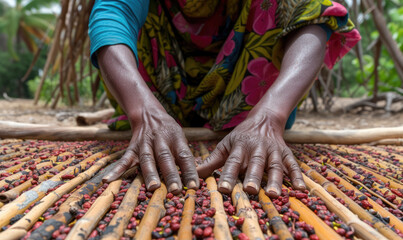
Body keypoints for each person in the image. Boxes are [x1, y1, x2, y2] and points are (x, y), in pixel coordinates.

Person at [88, 0, 360, 197]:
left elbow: (312, 10)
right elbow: (111, 13)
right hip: (158, 93)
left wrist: (270, 116)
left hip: (249, 103)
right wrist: (143, 112)